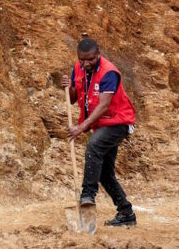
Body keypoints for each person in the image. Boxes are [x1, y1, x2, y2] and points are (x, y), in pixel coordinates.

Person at [60, 38, 137, 227]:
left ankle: (87, 195)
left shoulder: (108, 72)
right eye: (82, 60)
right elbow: (72, 99)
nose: (86, 64)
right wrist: (68, 87)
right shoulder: (78, 69)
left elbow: (103, 105)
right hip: (101, 125)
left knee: (94, 144)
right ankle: (126, 214)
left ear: (98, 54)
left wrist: (81, 127)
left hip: (119, 121)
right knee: (104, 173)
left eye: (90, 60)